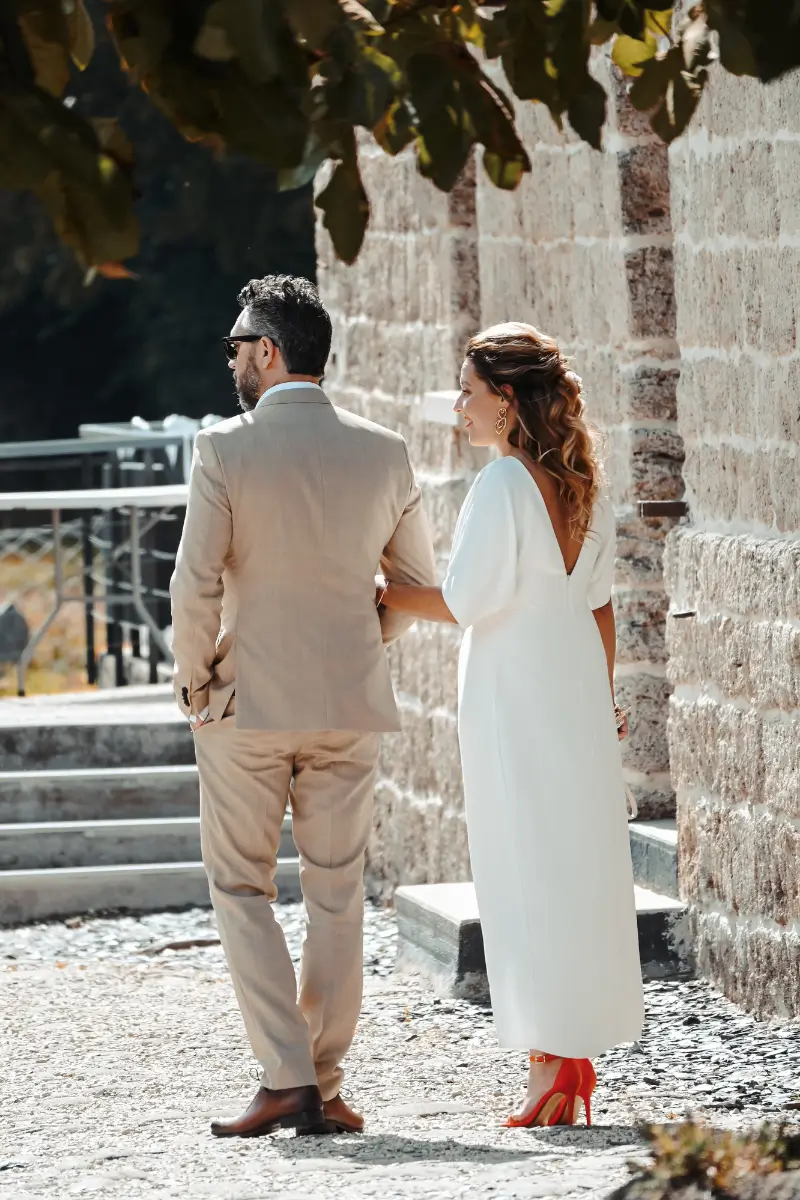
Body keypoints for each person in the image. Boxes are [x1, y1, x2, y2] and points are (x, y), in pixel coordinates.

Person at [170, 275, 437, 1138]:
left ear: (269, 350)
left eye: (236, 344)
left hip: (244, 707)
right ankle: (321, 1077)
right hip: (349, 703)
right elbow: (414, 587)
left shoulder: (223, 448)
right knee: (337, 894)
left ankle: (286, 1076)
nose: (232, 359)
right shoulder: (386, 451)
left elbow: (194, 586)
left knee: (241, 887)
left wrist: (192, 685)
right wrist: (367, 645)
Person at [377, 322, 644, 1128]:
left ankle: (551, 1063)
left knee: (525, 871)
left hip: (514, 698)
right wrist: (600, 704)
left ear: (507, 399)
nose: (458, 406)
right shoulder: (584, 485)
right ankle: (565, 1060)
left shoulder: (502, 485)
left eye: (468, 390)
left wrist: (382, 588)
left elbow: (462, 601)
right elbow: (600, 606)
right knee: (574, 871)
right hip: (570, 693)